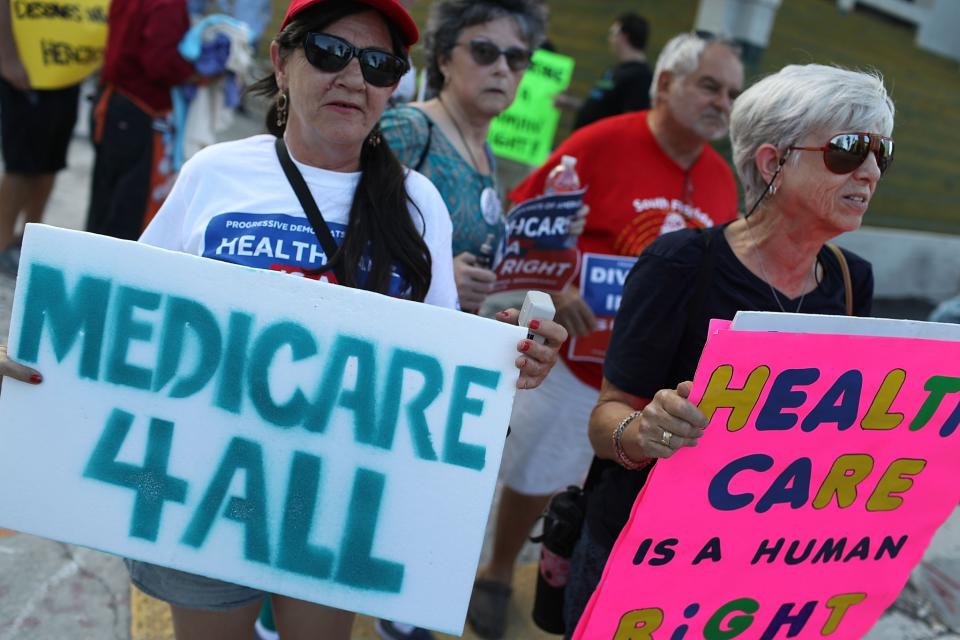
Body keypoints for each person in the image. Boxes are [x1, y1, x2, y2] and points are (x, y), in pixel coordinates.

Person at [0, 0, 568, 638]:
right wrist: (34, 346)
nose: (354, 78)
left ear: (395, 86)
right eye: (330, 53)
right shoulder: (215, 174)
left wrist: (512, 356)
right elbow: (125, 316)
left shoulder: (418, 203)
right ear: (282, 59)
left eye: (380, 65)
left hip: (336, 511)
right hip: (201, 493)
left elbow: (438, 356)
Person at [566, 63, 891, 635]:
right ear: (773, 163)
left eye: (880, 154)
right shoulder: (680, 264)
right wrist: (645, 430)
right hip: (643, 553)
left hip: (758, 562)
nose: (868, 171)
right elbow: (604, 419)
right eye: (847, 149)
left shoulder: (850, 280)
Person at [462, 32, 745, 640]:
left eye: (733, 92)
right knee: (536, 474)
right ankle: (496, 573)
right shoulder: (602, 142)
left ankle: (568, 579)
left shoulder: (724, 182)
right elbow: (523, 222)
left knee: (599, 493)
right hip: (578, 365)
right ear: (666, 83)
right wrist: (559, 288)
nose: (724, 102)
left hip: (653, 381)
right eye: (710, 85)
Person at [379, 0, 548, 314]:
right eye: (484, 52)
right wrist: (438, 275)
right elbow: (345, 230)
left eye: (516, 58)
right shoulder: (409, 129)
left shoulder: (484, 151)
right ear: (444, 59)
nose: (502, 69)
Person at [84, 0, 197, 242]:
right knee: (128, 216)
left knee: (105, 205)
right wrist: (198, 72)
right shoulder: (168, 4)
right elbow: (160, 64)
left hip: (113, 103)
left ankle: (93, 271)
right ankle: (110, 273)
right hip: (137, 111)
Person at [0, 0, 81, 275]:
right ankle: (2, 243)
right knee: (21, 162)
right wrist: (7, 56)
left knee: (51, 160)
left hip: (66, 68)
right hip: (26, 66)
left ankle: (30, 239)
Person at [558, 13, 653, 131]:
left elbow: (631, 123)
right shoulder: (616, 70)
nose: (610, 39)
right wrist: (570, 103)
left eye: (613, 34)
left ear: (624, 36)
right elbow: (601, 109)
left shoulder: (641, 76)